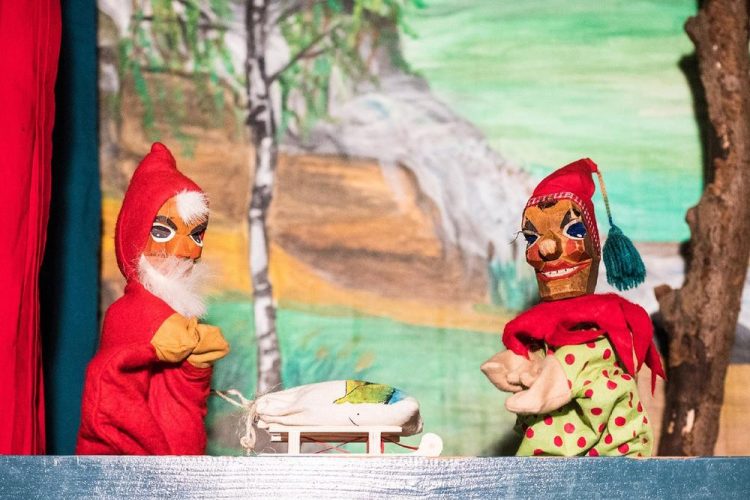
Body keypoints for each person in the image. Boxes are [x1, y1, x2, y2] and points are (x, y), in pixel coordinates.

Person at [482, 158, 664, 456]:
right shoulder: (537, 326)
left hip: (609, 455)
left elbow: (582, 359)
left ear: (594, 244)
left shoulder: (606, 321)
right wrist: (518, 363)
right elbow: (535, 357)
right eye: (532, 237)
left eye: (574, 231)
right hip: (548, 460)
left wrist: (554, 379)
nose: (546, 247)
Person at [76, 143, 229, 455]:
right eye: (162, 232)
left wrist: (194, 369)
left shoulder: (180, 318)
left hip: (170, 468)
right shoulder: (128, 313)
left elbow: (180, 408)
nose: (186, 251)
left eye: (196, 235)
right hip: (123, 468)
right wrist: (154, 342)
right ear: (135, 235)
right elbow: (109, 394)